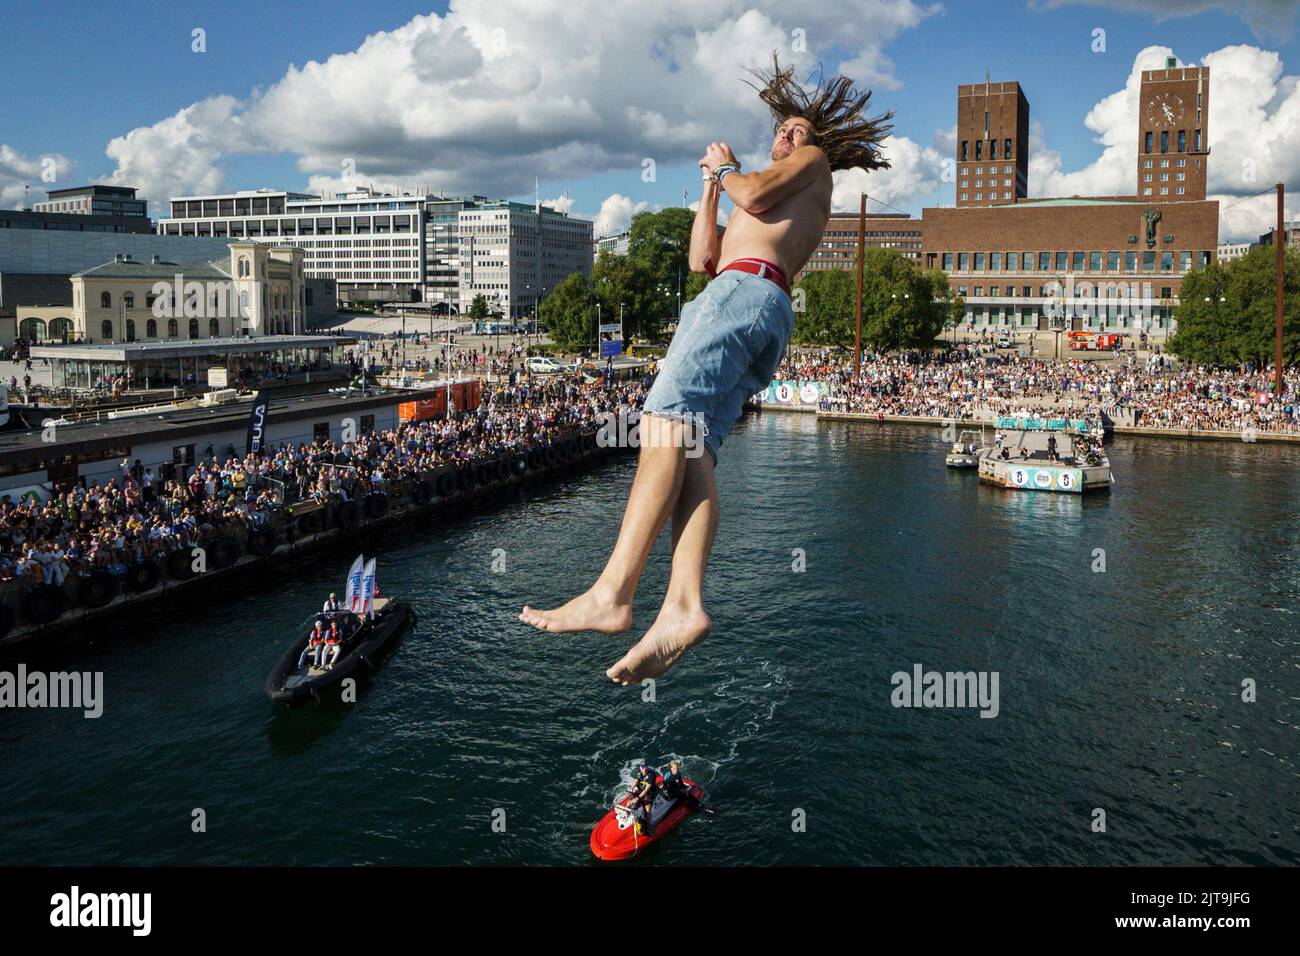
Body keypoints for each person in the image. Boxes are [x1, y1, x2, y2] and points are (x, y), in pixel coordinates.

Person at [521, 53, 892, 685]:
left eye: (798, 130)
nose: (788, 135)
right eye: (783, 129)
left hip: (745, 294)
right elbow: (701, 259)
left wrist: (727, 170)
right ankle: (683, 606)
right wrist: (710, 188)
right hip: (737, 295)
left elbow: (752, 193)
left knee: (662, 421)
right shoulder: (761, 191)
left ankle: (613, 592)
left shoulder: (810, 165)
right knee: (693, 449)